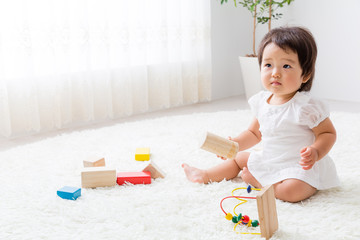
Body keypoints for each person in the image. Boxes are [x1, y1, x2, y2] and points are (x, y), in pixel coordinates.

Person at [182, 26, 340, 203]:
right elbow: (254, 133)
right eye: (268, 65)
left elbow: (328, 133)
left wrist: (316, 151)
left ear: (305, 75)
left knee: (292, 191)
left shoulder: (306, 107)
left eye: (286, 66)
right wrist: (234, 144)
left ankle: (259, 184)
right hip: (270, 159)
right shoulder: (262, 101)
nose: (275, 73)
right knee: (238, 158)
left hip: (298, 166)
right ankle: (206, 174)